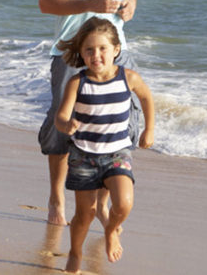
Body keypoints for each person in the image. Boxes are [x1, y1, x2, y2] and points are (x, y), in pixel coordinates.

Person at [38, 0, 139, 226]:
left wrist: (132, 2)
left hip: (115, 50)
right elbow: (45, 2)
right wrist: (91, 4)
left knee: (118, 124)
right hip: (71, 51)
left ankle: (100, 200)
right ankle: (55, 197)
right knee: (62, 125)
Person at [54, 17, 154, 272]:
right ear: (81, 53)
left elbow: (146, 97)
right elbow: (61, 117)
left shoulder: (128, 78)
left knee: (124, 203)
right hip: (84, 155)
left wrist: (148, 130)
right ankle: (75, 252)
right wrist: (67, 125)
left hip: (117, 152)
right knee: (84, 214)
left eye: (103, 49)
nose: (96, 55)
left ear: (116, 50)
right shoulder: (77, 82)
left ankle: (111, 230)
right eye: (89, 49)